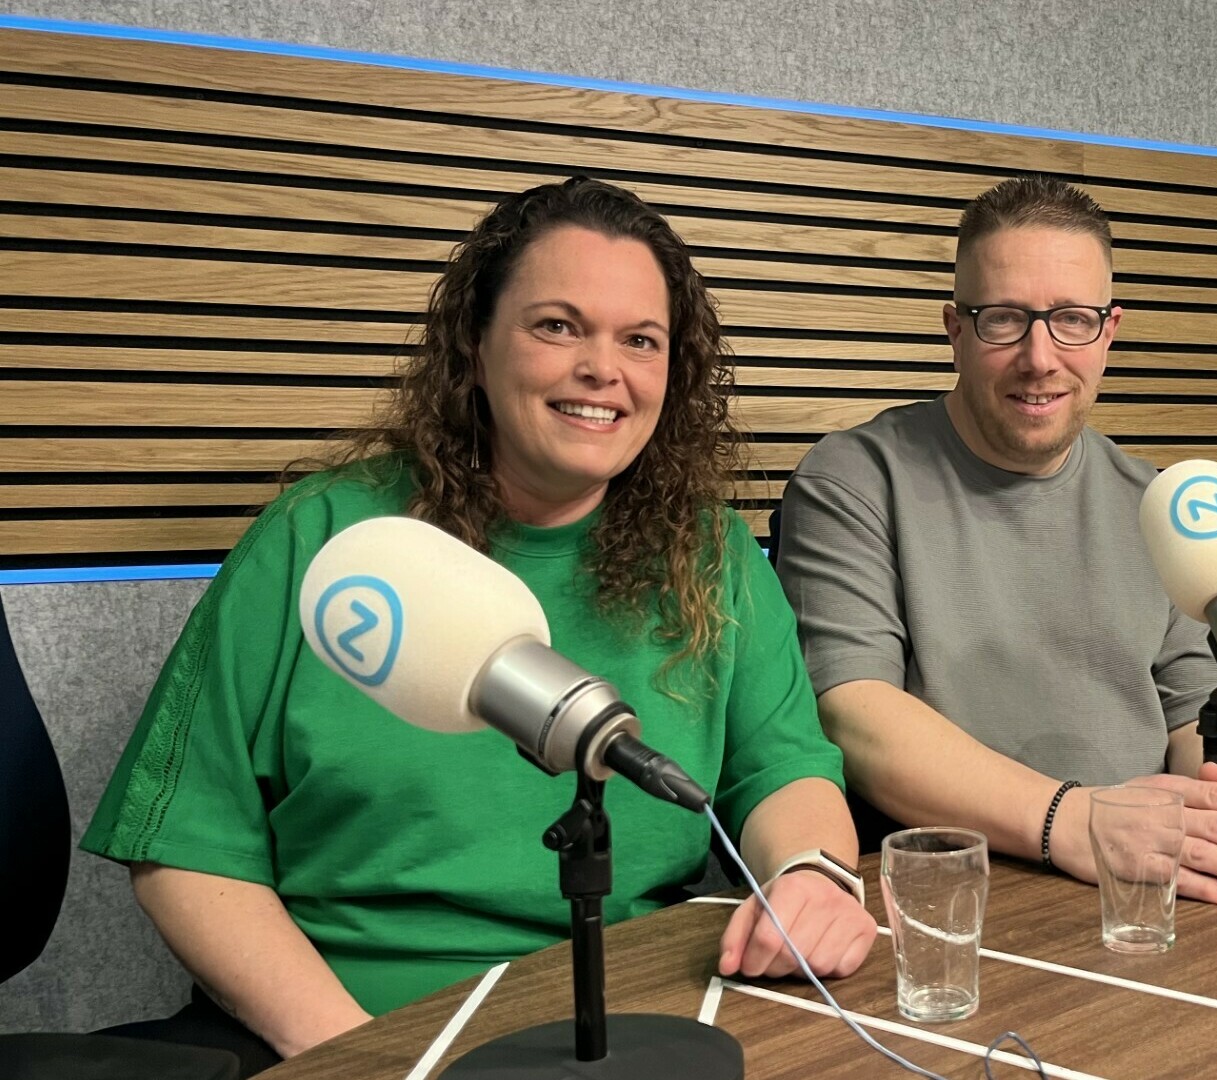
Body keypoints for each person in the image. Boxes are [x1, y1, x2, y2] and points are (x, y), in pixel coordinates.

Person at [81, 177, 876, 1071]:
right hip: (346, 1023)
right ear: (475, 343)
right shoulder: (323, 540)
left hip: (632, 1017)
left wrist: (810, 875)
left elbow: (784, 766)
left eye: (640, 341)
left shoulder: (711, 553)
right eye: (557, 326)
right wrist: (364, 1058)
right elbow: (187, 853)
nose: (602, 370)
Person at [775, 177, 1217, 906]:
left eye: (1072, 320)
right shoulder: (854, 480)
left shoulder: (1159, 506)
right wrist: (1075, 821)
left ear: (1108, 332)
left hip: (1144, 892)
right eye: (1004, 320)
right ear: (955, 330)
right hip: (955, 902)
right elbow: (853, 716)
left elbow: (1203, 722)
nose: (1040, 356)